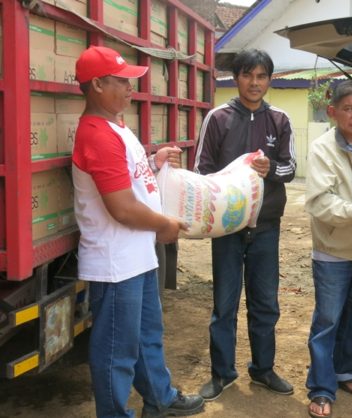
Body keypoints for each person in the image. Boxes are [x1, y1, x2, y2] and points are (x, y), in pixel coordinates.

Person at [72, 45, 205, 418]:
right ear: (97, 84)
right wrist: (165, 225)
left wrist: (153, 160)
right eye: (122, 81)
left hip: (137, 256)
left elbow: (125, 179)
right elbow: (122, 207)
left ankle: (160, 399)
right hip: (116, 264)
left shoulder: (116, 126)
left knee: (147, 337)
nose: (132, 89)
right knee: (116, 349)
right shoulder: (96, 133)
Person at [193, 49, 296, 401]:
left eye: (262, 76)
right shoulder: (218, 118)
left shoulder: (279, 120)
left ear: (269, 79)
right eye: (248, 75)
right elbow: (201, 171)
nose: (255, 83)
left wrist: (272, 171)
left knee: (265, 302)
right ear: (236, 78)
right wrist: (221, 197)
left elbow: (290, 168)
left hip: (266, 227)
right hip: (227, 230)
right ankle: (221, 374)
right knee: (225, 303)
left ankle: (263, 369)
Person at [304, 80, 352, 418]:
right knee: (327, 321)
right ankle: (321, 389)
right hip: (333, 251)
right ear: (333, 112)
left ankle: (346, 372)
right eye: (348, 109)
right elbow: (320, 202)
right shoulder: (322, 149)